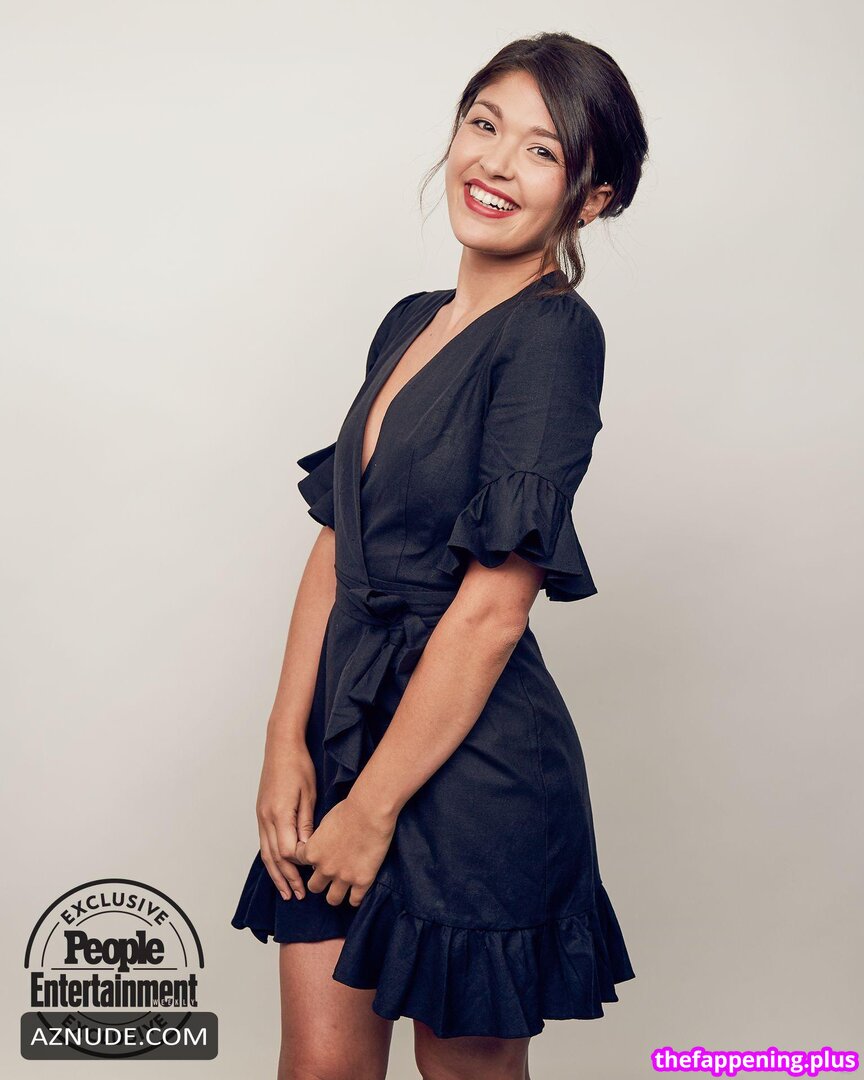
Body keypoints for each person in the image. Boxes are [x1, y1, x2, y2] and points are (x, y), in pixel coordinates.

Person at [232, 30, 649, 1080]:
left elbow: (492, 611)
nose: (496, 163)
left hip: (471, 773)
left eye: (542, 150)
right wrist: (285, 741)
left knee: (465, 1072)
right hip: (344, 730)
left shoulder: (555, 336)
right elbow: (341, 544)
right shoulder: (408, 322)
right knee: (319, 1069)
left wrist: (373, 811)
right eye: (484, 124)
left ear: (591, 198)